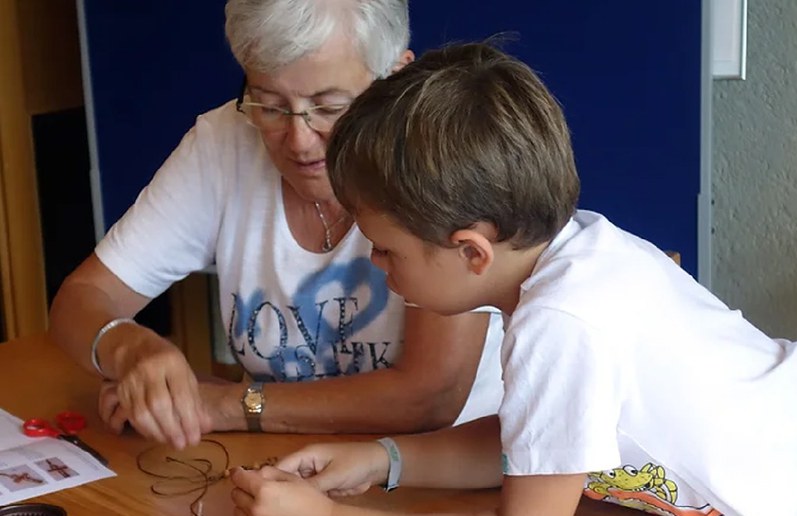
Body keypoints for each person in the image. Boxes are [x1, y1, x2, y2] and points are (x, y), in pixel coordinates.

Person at [229, 41, 797, 516]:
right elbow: (538, 443)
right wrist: (383, 459)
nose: (377, 266)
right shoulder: (575, 252)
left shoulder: (564, 321)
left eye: (385, 249)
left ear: (470, 251)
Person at [49, 1, 503, 450]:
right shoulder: (223, 144)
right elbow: (83, 298)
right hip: (278, 458)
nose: (300, 141)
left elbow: (430, 396)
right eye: (269, 106)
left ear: (395, 77)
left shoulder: (445, 157)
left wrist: (227, 406)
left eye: (328, 107)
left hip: (446, 469)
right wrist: (128, 347)